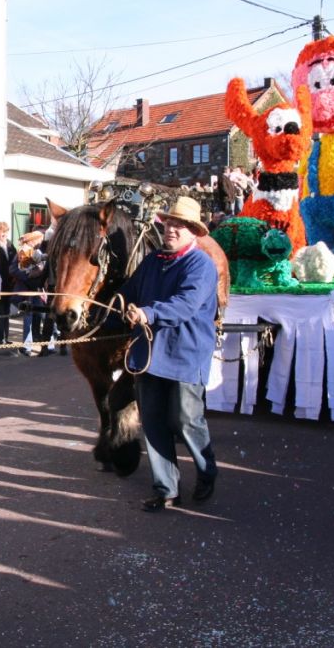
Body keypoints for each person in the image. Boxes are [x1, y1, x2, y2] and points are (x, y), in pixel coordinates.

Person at [120, 196, 219, 513]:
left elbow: (185, 306)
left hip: (185, 356)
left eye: (180, 225)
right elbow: (128, 292)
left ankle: (207, 471)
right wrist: (103, 306)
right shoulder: (152, 261)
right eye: (169, 223)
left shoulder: (201, 266)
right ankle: (167, 490)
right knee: (153, 423)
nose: (172, 230)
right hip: (148, 354)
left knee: (185, 420)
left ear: (193, 231)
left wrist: (147, 313)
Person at [0, 222, 18, 354]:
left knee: (6, 311)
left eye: (6, 231)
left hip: (9, 283)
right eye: (2, 231)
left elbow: (16, 260)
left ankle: (5, 338)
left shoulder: (10, 244)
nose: (4, 234)